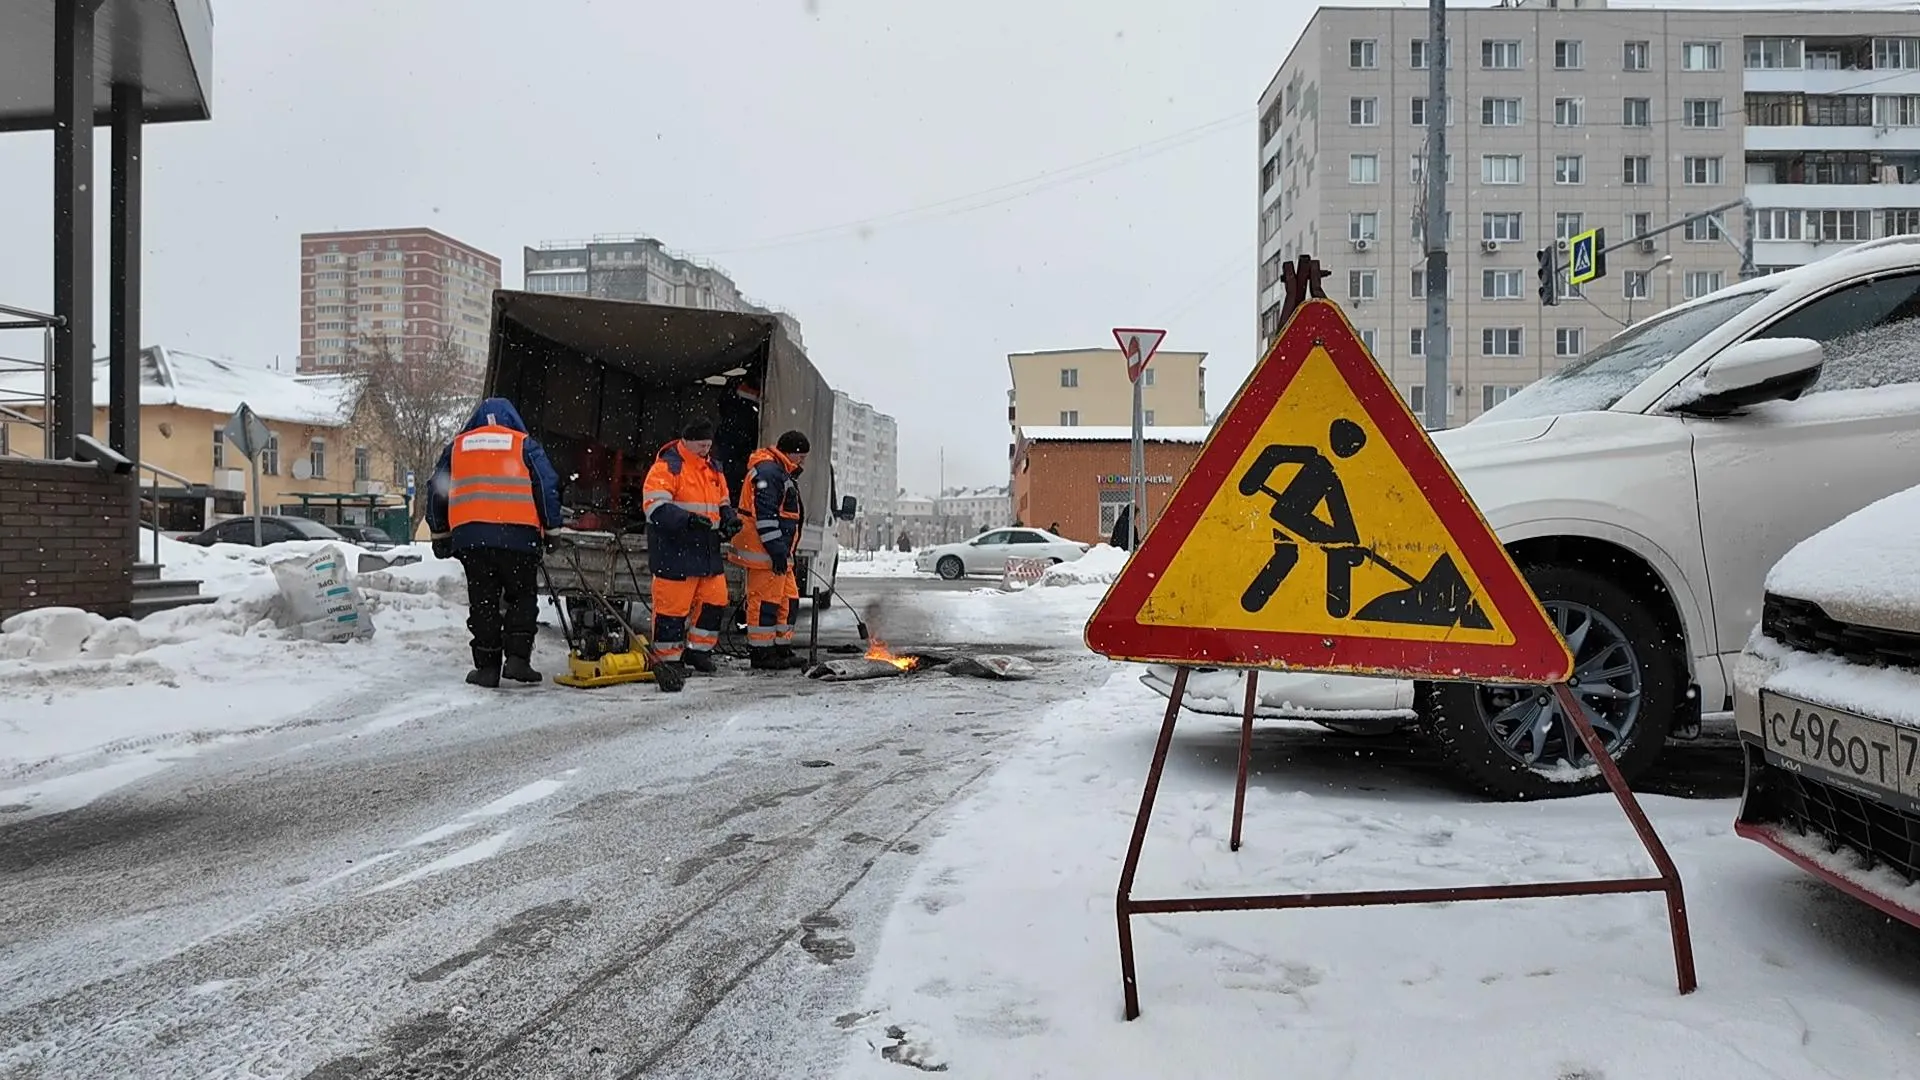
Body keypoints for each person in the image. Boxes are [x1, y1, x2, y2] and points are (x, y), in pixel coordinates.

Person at [427, 397, 563, 688]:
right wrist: (552, 530)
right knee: (521, 597)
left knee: (483, 601)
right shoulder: (524, 445)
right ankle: (517, 660)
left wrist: (440, 533)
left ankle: (487, 667)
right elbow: (546, 484)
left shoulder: (458, 447)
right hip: (519, 538)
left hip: (472, 540)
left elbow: (436, 489)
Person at [643, 421, 741, 676]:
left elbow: (722, 500)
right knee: (672, 609)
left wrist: (729, 518)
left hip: (706, 549)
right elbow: (655, 507)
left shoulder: (713, 468)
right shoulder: (667, 467)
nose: (705, 450)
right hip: (674, 550)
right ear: (686, 441)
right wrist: (687, 520)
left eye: (708, 445)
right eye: (701, 445)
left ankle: (699, 651)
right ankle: (668, 659)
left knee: (715, 601)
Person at [731, 430, 811, 670]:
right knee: (765, 603)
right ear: (791, 453)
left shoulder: (779, 472)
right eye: (801, 456)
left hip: (777, 552)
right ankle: (762, 653)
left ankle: (780, 648)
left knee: (788, 600)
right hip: (764, 551)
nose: (803, 462)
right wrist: (777, 551)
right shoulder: (769, 472)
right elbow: (766, 517)